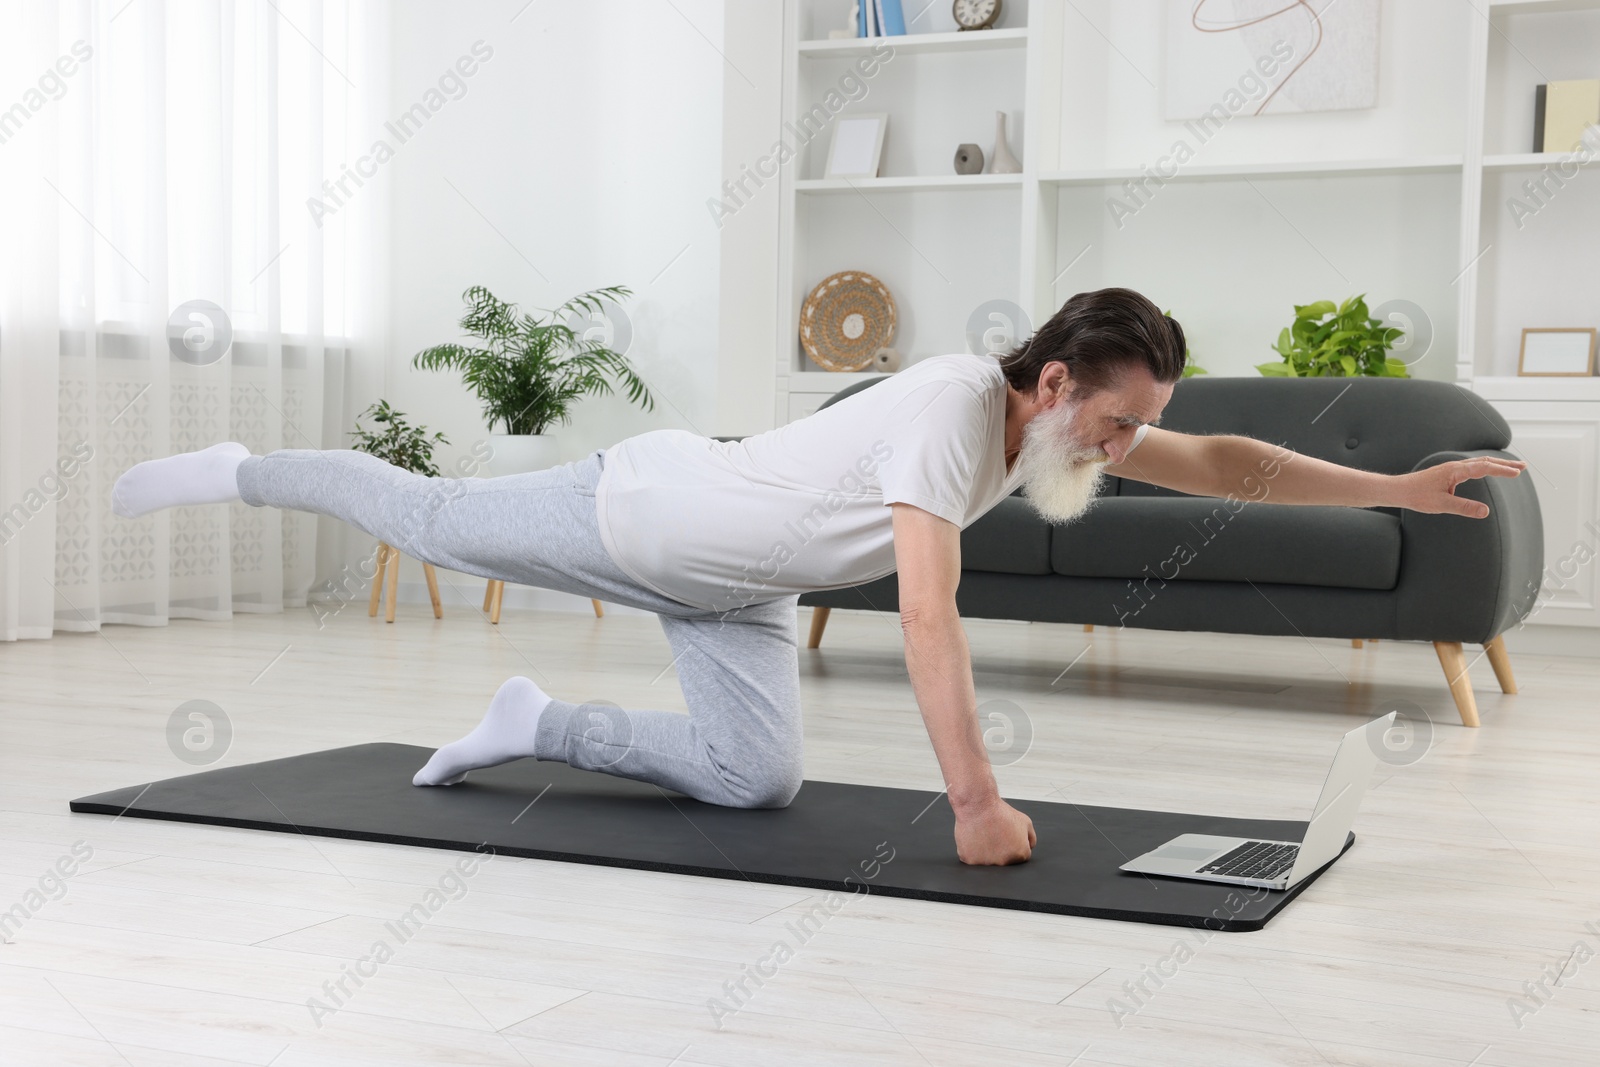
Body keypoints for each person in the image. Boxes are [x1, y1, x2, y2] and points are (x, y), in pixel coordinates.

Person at [111, 288, 1526, 866]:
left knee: (752, 784)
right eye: (1113, 419)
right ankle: (238, 463)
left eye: (1134, 421)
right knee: (420, 517)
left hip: (733, 589)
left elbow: (1222, 461)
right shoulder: (944, 414)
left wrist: (1399, 486)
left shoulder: (1052, 435)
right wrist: (974, 799)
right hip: (638, 516)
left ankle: (531, 725)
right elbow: (923, 609)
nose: (1126, 442)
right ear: (1048, 383)